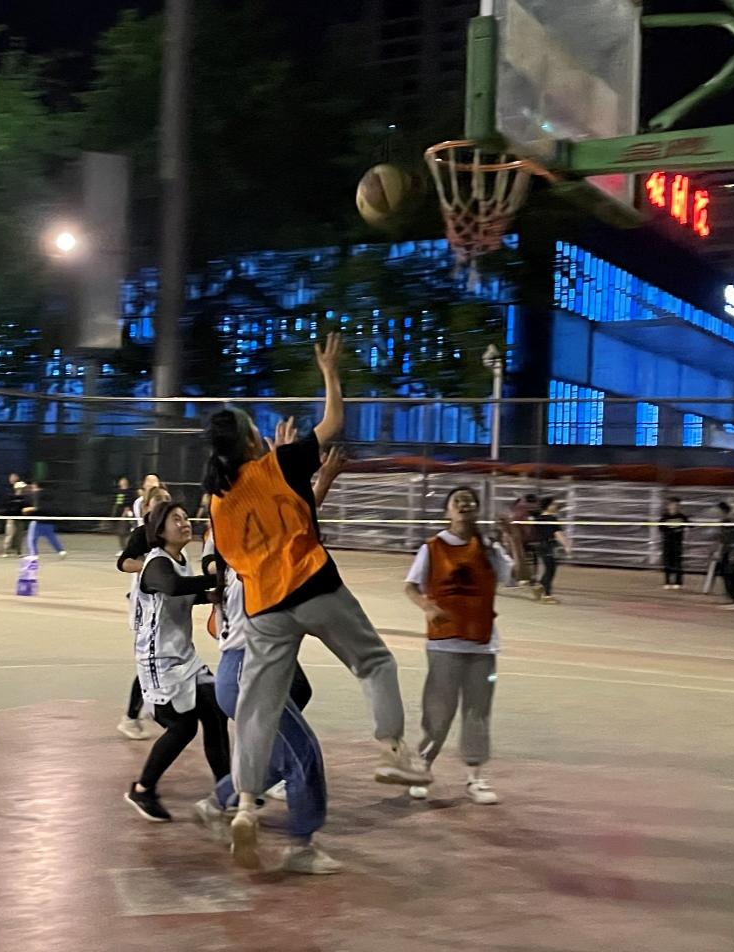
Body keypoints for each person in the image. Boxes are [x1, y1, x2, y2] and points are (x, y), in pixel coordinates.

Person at [203, 332, 430, 869]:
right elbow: (334, 423)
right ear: (253, 441)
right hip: (313, 583)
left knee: (257, 711)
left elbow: (236, 557)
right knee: (374, 661)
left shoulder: (216, 501)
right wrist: (329, 372)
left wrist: (297, 480)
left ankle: (245, 806)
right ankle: (393, 750)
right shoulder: (278, 463)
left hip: (264, 608)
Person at [200, 436, 344, 875]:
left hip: (238, 672)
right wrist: (307, 475)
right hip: (250, 671)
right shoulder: (253, 558)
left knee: (273, 753)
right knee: (303, 753)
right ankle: (301, 846)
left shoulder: (235, 551)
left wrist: (306, 477)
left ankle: (219, 800)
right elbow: (294, 526)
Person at [403, 486, 511, 805]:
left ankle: (475, 776)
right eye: (457, 501)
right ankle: (422, 767)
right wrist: (427, 606)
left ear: (477, 509)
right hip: (445, 643)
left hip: (482, 644)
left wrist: (514, 538)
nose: (464, 505)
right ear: (447, 511)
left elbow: (518, 576)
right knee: (439, 711)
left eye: (470, 501)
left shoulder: (488, 548)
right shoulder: (433, 548)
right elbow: (410, 586)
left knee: (478, 712)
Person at [124, 502, 225, 822]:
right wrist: (216, 578)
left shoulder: (181, 560)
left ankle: (227, 789)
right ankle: (142, 789)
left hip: (185, 656)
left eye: (185, 518)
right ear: (160, 530)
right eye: (175, 519)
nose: (184, 523)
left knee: (215, 712)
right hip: (158, 662)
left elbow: (185, 594)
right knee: (182, 728)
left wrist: (213, 595)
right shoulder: (156, 562)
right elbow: (172, 586)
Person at [114, 484, 175, 740]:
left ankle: (155, 706)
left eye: (166, 502)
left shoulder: (170, 533)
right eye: (157, 502)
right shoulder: (143, 534)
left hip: (166, 607)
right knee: (150, 662)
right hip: (146, 608)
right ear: (147, 507)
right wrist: (149, 567)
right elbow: (124, 562)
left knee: (166, 658)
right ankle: (131, 717)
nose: (162, 506)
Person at [531, 497, 570, 604]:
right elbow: (557, 534)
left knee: (549, 569)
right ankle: (547, 595)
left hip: (539, 545)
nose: (556, 506)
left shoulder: (538, 518)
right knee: (550, 570)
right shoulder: (552, 519)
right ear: (548, 506)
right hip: (548, 546)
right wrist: (566, 545)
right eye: (553, 504)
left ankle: (539, 586)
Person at [22, 481, 66, 558]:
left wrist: (28, 509)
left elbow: (38, 508)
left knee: (31, 538)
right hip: (49, 520)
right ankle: (61, 551)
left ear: (35, 486)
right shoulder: (50, 494)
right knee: (51, 537)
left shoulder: (36, 494)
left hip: (38, 520)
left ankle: (33, 554)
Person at [659, 497, 689, 590]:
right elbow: (661, 528)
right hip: (667, 543)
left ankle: (678, 582)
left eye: (677, 505)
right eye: (673, 505)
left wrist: (687, 526)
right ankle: (667, 581)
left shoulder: (682, 517)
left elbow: (690, 525)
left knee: (677, 563)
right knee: (667, 563)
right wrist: (672, 531)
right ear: (668, 506)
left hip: (677, 544)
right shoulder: (665, 517)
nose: (675, 507)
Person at [0, 473, 24, 557]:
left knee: (19, 534)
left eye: (15, 477)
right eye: (12, 478)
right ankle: (6, 551)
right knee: (10, 533)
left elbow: (24, 501)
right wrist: (15, 495)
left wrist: (20, 492)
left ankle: (18, 551)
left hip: (19, 515)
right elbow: (6, 501)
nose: (13, 479)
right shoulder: (7, 489)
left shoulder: (21, 487)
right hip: (10, 515)